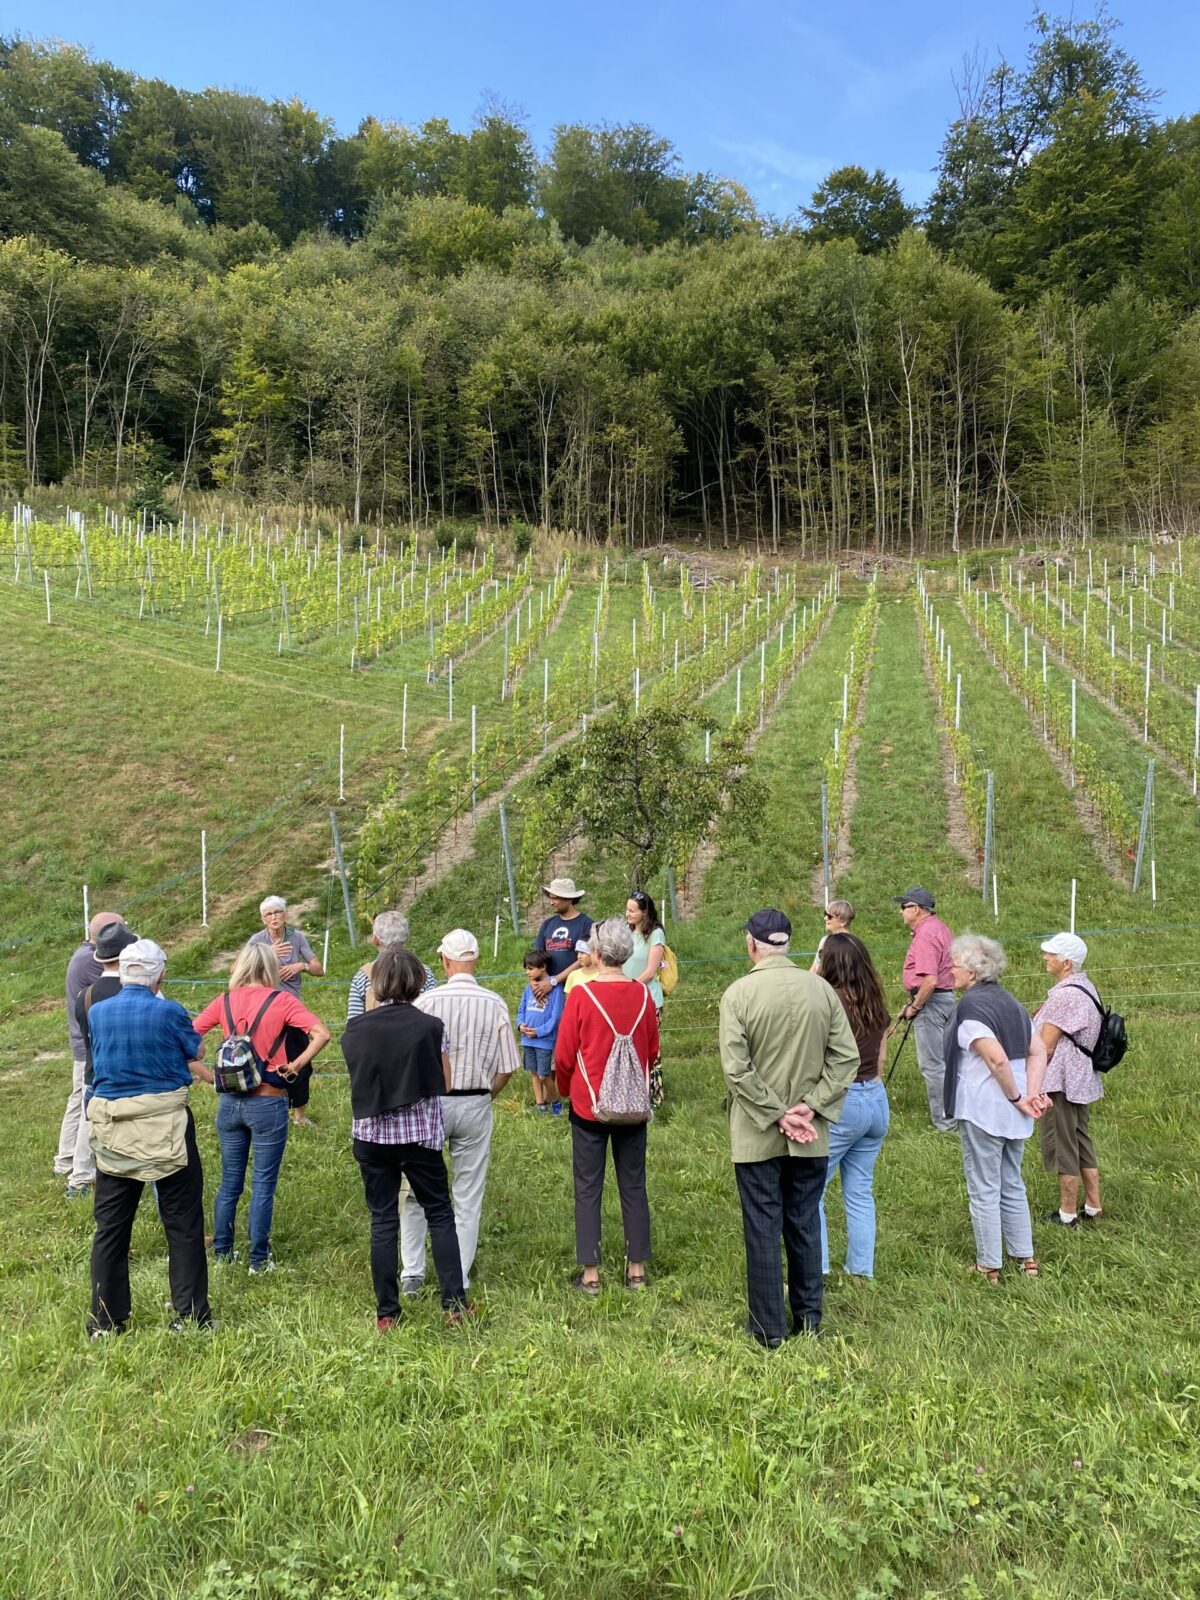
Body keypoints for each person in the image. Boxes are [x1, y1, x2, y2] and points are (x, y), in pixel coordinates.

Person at [718, 909, 860, 1346]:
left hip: (757, 1134)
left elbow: (736, 1070)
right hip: (810, 1134)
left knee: (762, 1226)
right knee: (804, 1222)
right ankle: (809, 1320)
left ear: (751, 943)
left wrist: (778, 1113)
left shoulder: (738, 995)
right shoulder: (821, 991)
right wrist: (810, 1108)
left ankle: (768, 1329)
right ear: (789, 942)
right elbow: (847, 1059)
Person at [85, 939, 213, 1336]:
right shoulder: (170, 1011)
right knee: (183, 1221)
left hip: (114, 1127)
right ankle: (191, 1316)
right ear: (159, 975)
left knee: (111, 1226)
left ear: (123, 972)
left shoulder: (97, 1012)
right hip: (165, 1126)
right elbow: (197, 1050)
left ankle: (106, 1320)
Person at [342, 947, 470, 1330]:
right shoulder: (431, 1026)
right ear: (417, 983)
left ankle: (387, 1313)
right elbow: (444, 1082)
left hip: (372, 1135)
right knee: (440, 1214)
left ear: (376, 984)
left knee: (383, 1219)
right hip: (419, 1137)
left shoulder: (356, 1029)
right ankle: (454, 1306)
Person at [192, 941, 331, 1272]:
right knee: (263, 1182)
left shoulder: (223, 1000)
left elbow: (183, 1042)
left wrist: (210, 1077)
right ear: (270, 968)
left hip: (229, 1102)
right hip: (268, 1100)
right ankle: (258, 1259)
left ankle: (224, 1252)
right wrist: (295, 1065)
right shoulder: (281, 1000)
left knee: (230, 1181)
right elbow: (321, 1034)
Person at [400, 929, 519, 1297]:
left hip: (431, 1102)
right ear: (476, 960)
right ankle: (460, 1273)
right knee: (468, 1192)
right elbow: (508, 1065)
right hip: (475, 1100)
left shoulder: (426, 1002)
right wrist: (486, 1095)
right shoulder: (494, 1002)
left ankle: (413, 1271)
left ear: (445, 961)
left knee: (416, 1189)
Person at [554, 917, 660, 1293]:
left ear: (596, 953)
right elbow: (651, 1050)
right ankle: (636, 1270)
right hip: (631, 1104)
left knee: (587, 1186)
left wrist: (567, 1089)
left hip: (589, 1105)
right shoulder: (644, 995)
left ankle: (591, 1274)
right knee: (634, 1184)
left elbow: (564, 1055)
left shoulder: (581, 996)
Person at [944, 934, 1048, 1282]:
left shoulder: (971, 1007)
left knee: (984, 1186)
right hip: (1015, 1112)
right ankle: (1026, 1259)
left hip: (985, 1109)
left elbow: (995, 1058)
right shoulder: (1013, 1003)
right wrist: (1030, 1094)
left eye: (955, 966)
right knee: (1011, 1181)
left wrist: (1017, 1096)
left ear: (972, 973)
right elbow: (1038, 1051)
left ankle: (989, 1264)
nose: (951, 971)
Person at [816, 932, 891, 1280]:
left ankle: (818, 1266)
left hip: (844, 1100)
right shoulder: (872, 998)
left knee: (810, 1189)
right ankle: (861, 1271)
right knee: (860, 1189)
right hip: (875, 1095)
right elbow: (880, 1053)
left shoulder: (830, 1001)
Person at [1034, 932, 1104, 1228]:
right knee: (1080, 1138)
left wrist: (1032, 1080)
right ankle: (1093, 1205)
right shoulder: (1085, 987)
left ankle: (1067, 1214)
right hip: (1080, 1078)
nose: (1045, 958)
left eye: (1050, 954)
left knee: (1063, 1142)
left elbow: (1046, 1046)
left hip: (1060, 1081)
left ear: (1066, 962)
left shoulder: (1065, 995)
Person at [58, 911, 125, 1198]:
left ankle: (65, 1160)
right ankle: (81, 1176)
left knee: (77, 1102)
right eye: (121, 930)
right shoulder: (91, 959)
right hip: (92, 1045)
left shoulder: (82, 953)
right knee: (89, 1109)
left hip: (82, 1041)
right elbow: (119, 983)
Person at [250, 895, 324, 1124]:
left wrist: (300, 965)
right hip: (265, 1007)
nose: (274, 917)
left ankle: (299, 1116)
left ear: (286, 914)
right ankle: (269, 1108)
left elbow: (319, 969)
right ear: (263, 919)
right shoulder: (257, 940)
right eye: (268, 914)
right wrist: (268, 953)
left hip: (292, 1008)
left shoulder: (296, 937)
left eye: (277, 912)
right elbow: (237, 969)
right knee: (265, 1057)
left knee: (299, 1058)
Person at [893, 886, 957, 1132]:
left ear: (916, 909)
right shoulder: (939, 928)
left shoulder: (926, 934)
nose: (901, 912)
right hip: (941, 998)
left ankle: (946, 1123)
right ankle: (953, 1115)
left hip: (931, 1002)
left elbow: (929, 980)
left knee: (932, 1064)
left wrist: (916, 1005)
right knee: (945, 1060)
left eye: (903, 907)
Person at [75, 922, 139, 1088]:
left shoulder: (84, 996)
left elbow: (87, 1038)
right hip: (131, 1082)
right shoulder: (142, 992)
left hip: (94, 1080)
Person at [346, 909, 436, 1022]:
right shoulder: (424, 972)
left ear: (375, 940)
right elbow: (432, 1013)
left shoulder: (362, 977)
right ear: (407, 937)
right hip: (416, 1035)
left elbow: (353, 1022)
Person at [624, 890, 667, 1106]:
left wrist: (628, 988)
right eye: (627, 909)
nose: (628, 914)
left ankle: (655, 1095)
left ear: (644, 913)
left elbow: (651, 971)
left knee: (650, 1047)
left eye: (632, 910)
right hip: (628, 998)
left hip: (648, 999)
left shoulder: (656, 934)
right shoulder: (627, 933)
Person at [516, 950, 565, 1113]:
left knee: (544, 1075)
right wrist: (520, 1024)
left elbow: (555, 1018)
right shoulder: (527, 989)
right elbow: (521, 1010)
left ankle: (555, 1100)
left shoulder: (556, 989)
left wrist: (539, 1031)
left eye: (530, 968)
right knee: (534, 1073)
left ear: (543, 967)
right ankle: (540, 1104)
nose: (527, 972)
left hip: (544, 1040)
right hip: (527, 1039)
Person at [531, 879, 593, 1000]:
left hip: (574, 990)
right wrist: (534, 982)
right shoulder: (547, 924)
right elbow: (535, 958)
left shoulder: (587, 924)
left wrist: (554, 981)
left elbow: (585, 958)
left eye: (556, 898)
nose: (551, 903)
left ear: (569, 899)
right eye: (550, 898)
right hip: (547, 990)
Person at [810, 899, 855, 973]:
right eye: (825, 914)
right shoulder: (824, 940)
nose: (825, 918)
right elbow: (815, 966)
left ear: (843, 921)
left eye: (829, 916)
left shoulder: (852, 944)